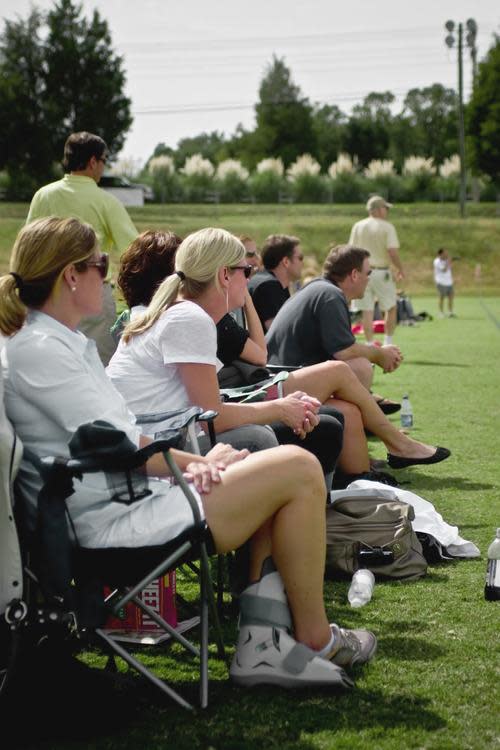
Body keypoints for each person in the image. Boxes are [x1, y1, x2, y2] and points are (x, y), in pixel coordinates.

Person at [0, 216, 376, 690]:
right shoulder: (42, 349)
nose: (108, 272)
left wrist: (203, 461)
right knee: (298, 467)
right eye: (99, 263)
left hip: (127, 498)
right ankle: (311, 640)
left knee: (271, 468)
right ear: (70, 275)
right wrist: (201, 462)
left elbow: (123, 438)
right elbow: (120, 447)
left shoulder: (56, 342)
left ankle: (265, 643)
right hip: (113, 521)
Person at [107, 229, 345, 485]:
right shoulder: (190, 318)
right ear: (224, 275)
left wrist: (284, 407)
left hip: (154, 436)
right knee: (296, 433)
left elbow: (207, 410)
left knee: (324, 422)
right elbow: (213, 416)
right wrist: (281, 408)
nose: (250, 278)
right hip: (154, 446)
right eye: (247, 271)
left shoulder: (182, 313)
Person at [26, 131, 138, 365]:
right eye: (104, 161)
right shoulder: (106, 201)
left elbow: (29, 247)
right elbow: (134, 249)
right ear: (92, 161)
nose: (103, 167)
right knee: (98, 367)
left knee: (52, 363)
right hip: (92, 294)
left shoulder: (42, 196)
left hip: (48, 293)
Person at [267, 245, 403, 394]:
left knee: (357, 369)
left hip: (282, 374)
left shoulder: (322, 289)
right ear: (354, 275)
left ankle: (369, 403)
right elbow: (344, 351)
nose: (368, 279)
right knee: (361, 368)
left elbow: (341, 349)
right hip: (282, 380)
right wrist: (380, 355)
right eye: (368, 273)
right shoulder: (330, 295)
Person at [349, 196, 405, 346]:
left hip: (362, 272)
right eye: (385, 208)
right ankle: (388, 342)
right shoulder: (387, 227)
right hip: (382, 272)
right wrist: (400, 268)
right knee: (390, 307)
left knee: (367, 310)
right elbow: (392, 251)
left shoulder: (358, 226)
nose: (387, 211)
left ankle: (369, 344)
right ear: (379, 209)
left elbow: (351, 250)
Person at [248, 234, 304, 330]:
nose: (302, 263)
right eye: (300, 258)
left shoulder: (264, 281)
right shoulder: (269, 287)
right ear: (286, 261)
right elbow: (279, 334)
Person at [433, 248, 455, 317]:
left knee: (451, 297)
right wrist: (448, 262)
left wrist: (450, 262)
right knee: (441, 297)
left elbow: (450, 269)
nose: (446, 254)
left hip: (449, 282)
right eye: (444, 253)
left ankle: (450, 312)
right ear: (440, 254)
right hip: (441, 282)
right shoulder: (437, 261)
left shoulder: (446, 260)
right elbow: (444, 270)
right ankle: (441, 312)